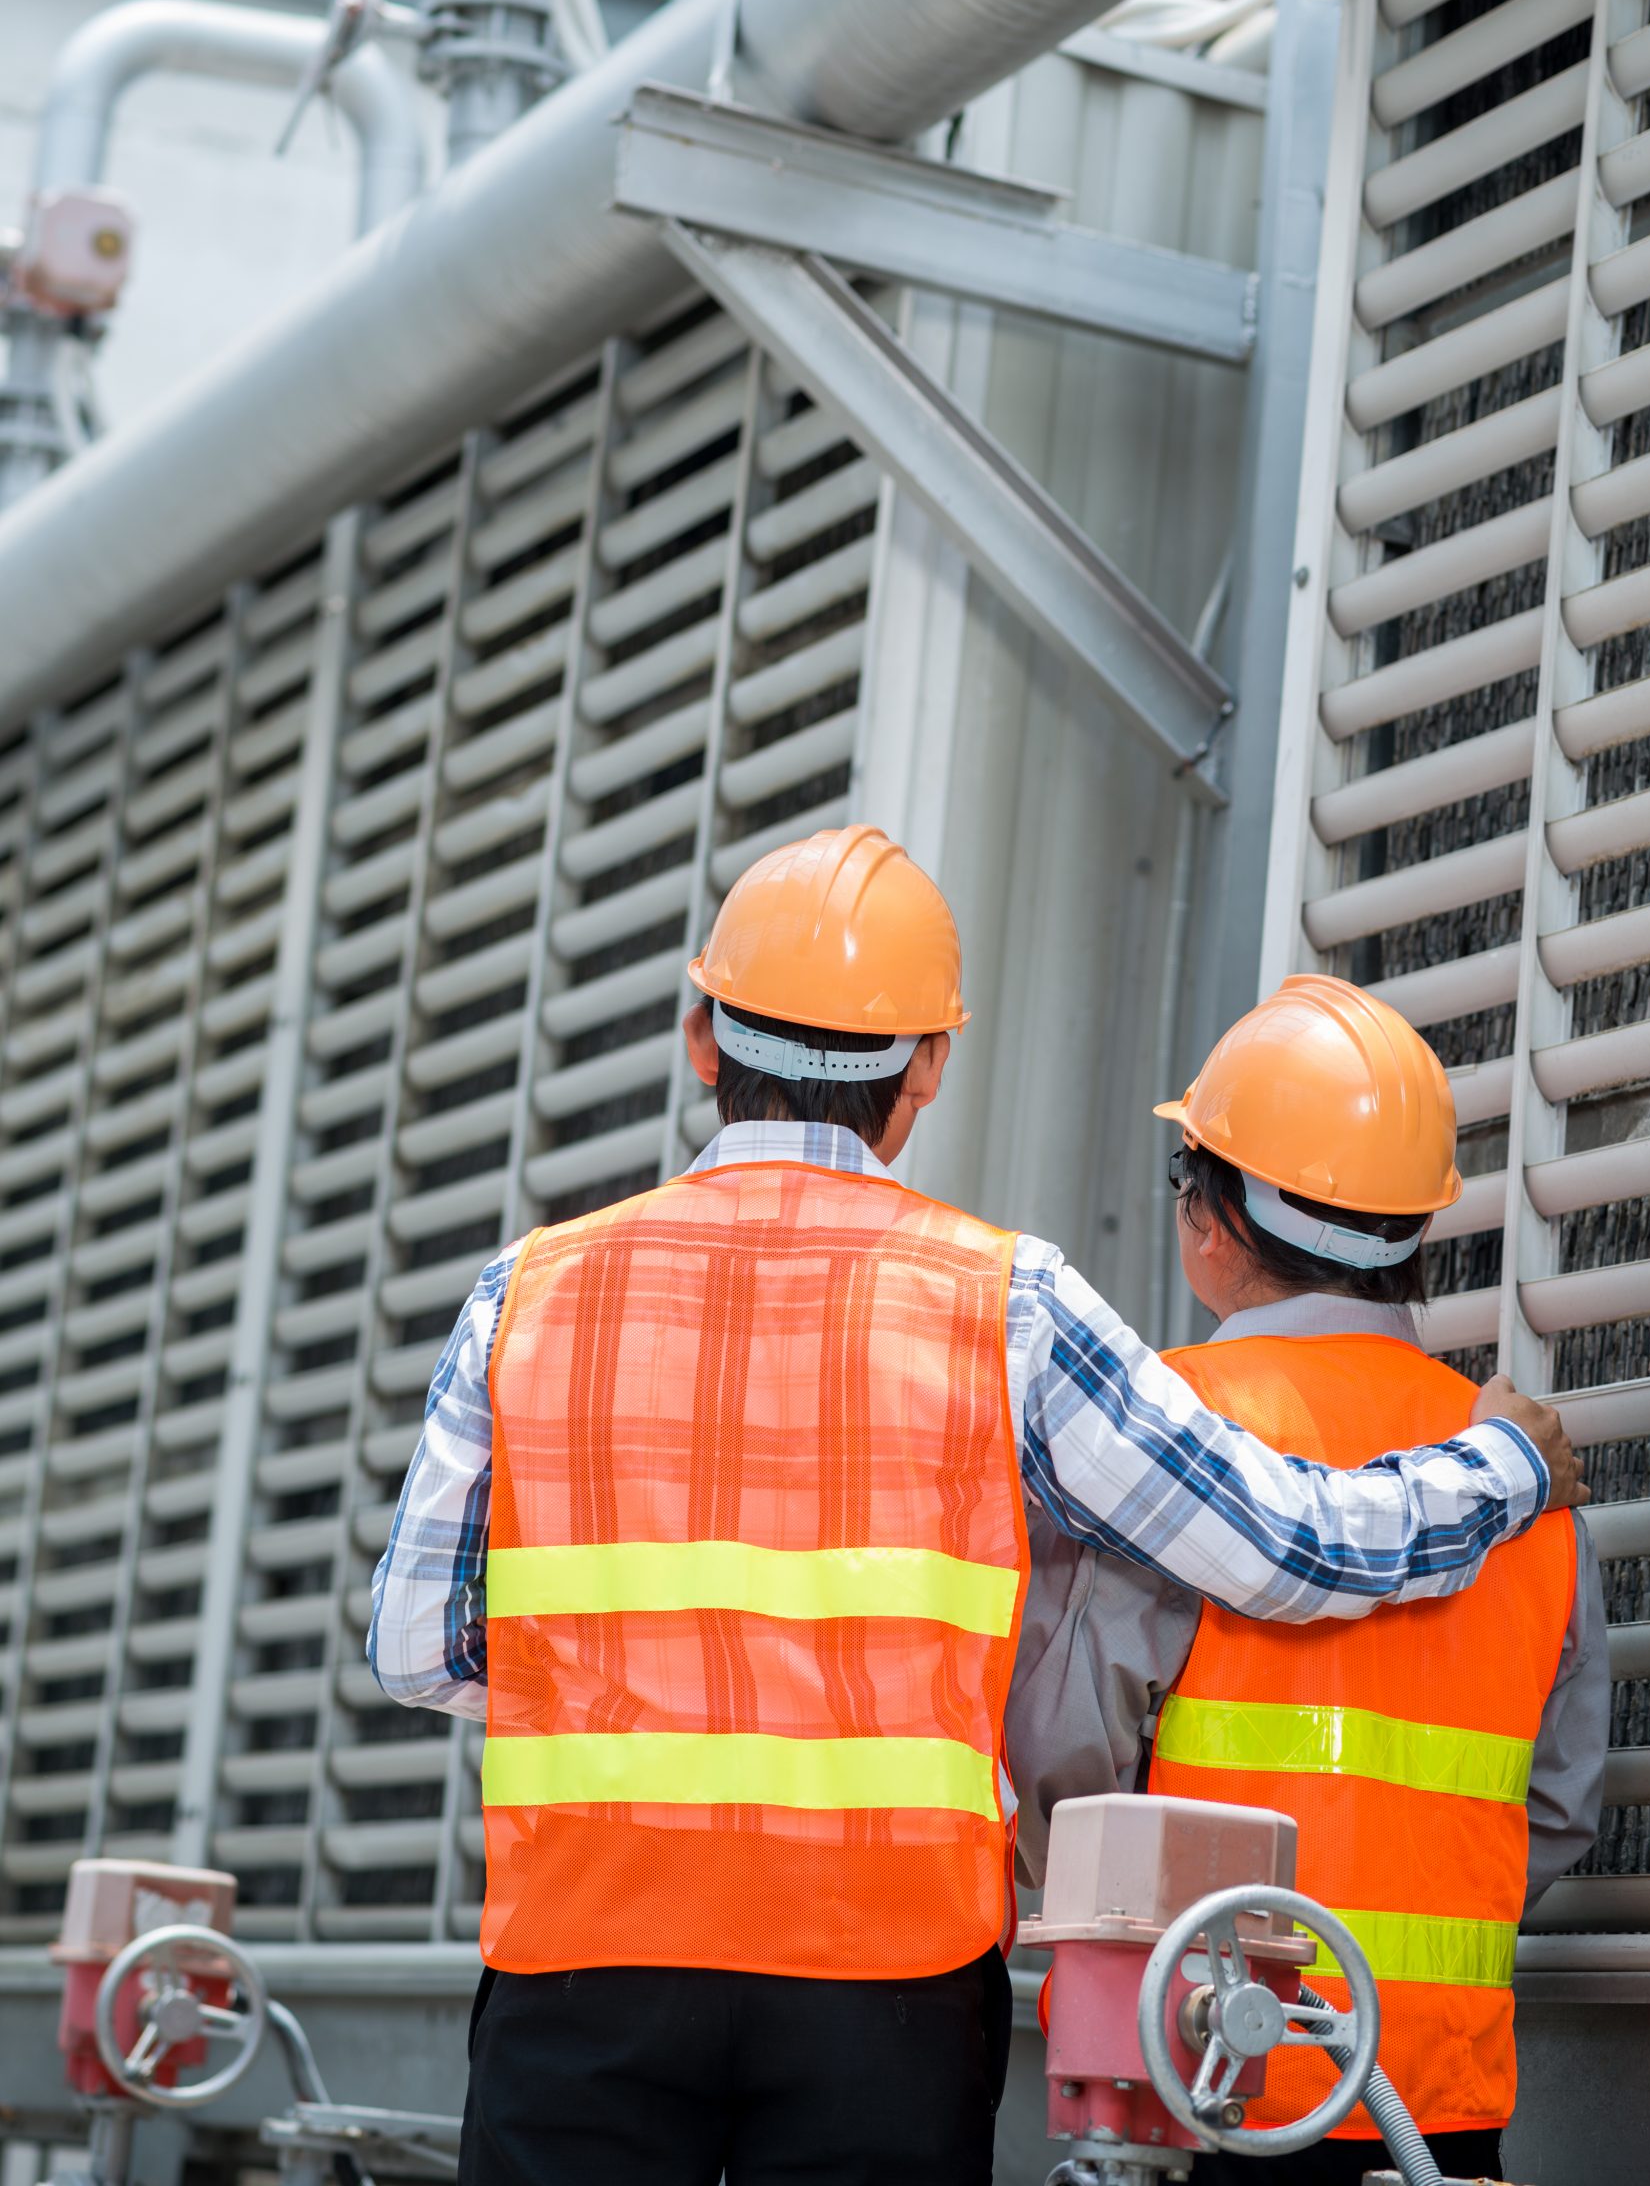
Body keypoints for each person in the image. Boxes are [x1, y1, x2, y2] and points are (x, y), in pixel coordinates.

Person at [368, 829, 1586, 2186]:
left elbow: (417, 1647)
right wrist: (1504, 1470)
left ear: (701, 1036)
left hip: (576, 1966)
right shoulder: (1006, 1302)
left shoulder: (525, 1293)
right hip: (884, 1991)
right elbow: (1283, 1546)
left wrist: (627, 1686)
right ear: (929, 1066)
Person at [1009, 974, 1608, 2186]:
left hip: (1188, 2089)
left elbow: (1065, 1770)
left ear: (1210, 1217)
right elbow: (1554, 1810)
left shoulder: (1162, 1437)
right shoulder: (1523, 1470)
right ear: (1413, 1231)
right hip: (1431, 2106)